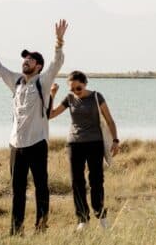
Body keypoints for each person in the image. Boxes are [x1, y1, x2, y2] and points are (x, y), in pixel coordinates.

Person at [0, 20, 67, 235]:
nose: (26, 61)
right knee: (17, 190)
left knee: (41, 187)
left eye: (31, 59)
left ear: (38, 66)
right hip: (16, 144)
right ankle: (16, 230)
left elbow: (56, 63)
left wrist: (59, 41)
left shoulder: (42, 82)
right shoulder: (15, 81)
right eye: (25, 58)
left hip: (37, 143)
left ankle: (41, 226)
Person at [49, 71, 120, 230]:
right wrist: (52, 94)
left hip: (95, 143)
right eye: (72, 89)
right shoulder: (69, 99)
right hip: (74, 144)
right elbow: (50, 114)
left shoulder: (96, 96)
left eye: (78, 88)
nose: (75, 91)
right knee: (77, 182)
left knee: (96, 181)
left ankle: (101, 216)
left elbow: (109, 120)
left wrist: (115, 140)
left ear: (85, 84)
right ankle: (82, 219)